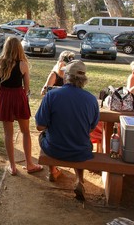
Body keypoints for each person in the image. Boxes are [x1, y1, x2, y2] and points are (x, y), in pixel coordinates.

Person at [35, 60, 99, 201]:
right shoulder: (92, 100)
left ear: (66, 77)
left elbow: (40, 126)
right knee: (80, 139)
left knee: (43, 135)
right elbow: (92, 128)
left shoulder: (52, 95)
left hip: (55, 148)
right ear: (84, 79)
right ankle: (80, 180)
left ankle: (52, 171)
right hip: (81, 150)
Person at [0, 36, 43, 176]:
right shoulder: (23, 65)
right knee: (25, 131)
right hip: (18, 97)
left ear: (6, 48)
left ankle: (13, 166)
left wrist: (5, 86)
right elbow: (26, 88)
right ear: (19, 48)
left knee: (8, 134)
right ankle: (30, 164)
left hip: (4, 98)